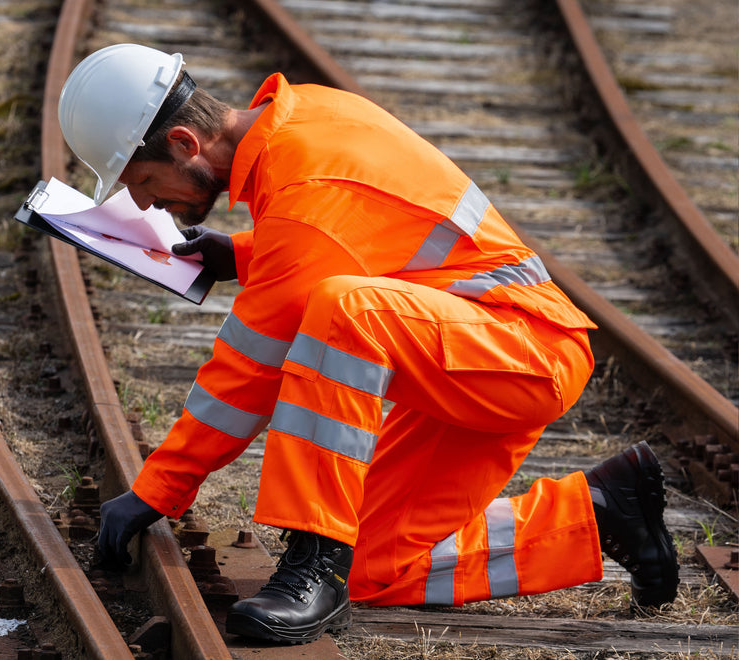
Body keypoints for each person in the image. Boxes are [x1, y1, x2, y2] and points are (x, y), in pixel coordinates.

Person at [57, 44, 680, 644]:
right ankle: (601, 514)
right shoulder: (307, 117)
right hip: (461, 353)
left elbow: (247, 370)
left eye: (143, 181)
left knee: (341, 311)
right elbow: (359, 230)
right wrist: (247, 254)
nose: (145, 203)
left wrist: (155, 490)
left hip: (521, 351)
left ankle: (313, 560)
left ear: (184, 143)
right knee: (373, 570)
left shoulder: (304, 191)